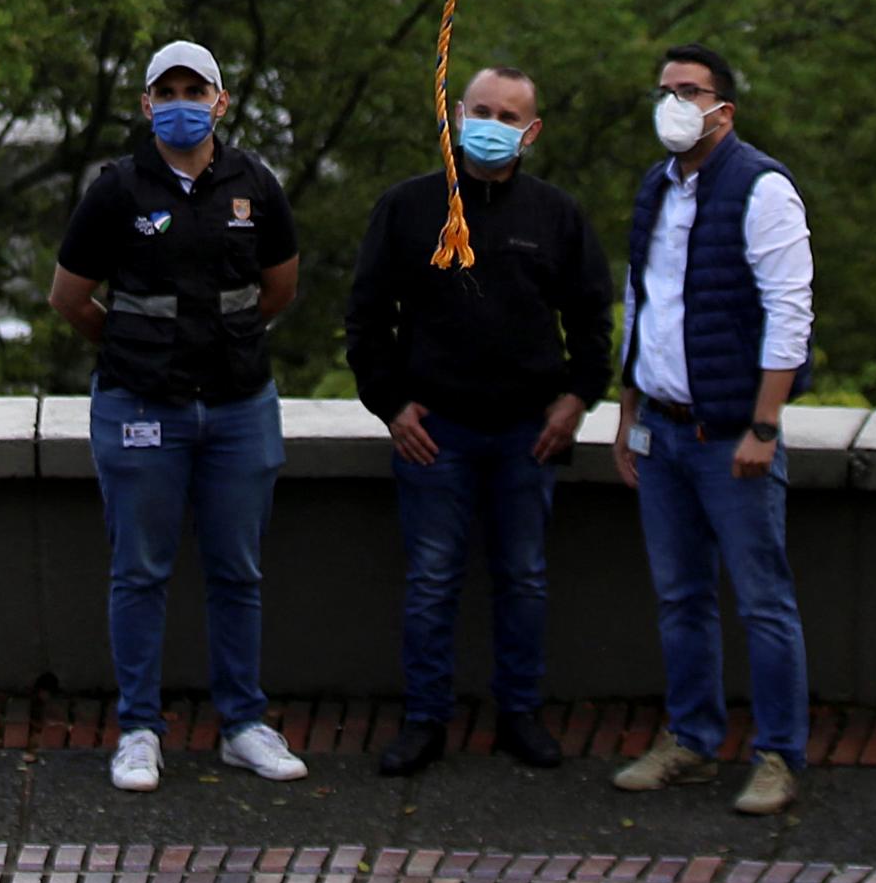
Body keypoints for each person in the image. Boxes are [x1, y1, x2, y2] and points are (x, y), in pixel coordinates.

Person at [48, 41, 310, 791]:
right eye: (168, 91)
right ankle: (138, 729)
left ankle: (243, 724)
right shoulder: (117, 191)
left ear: (221, 101)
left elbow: (279, 290)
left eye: (196, 89)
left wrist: (216, 346)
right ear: (147, 104)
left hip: (237, 409)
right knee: (139, 570)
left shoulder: (254, 184)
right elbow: (69, 300)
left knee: (238, 570)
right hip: (141, 408)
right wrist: (138, 349)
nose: (183, 101)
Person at [343, 65, 616, 776]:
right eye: (482, 109)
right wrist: (391, 405)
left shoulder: (557, 217)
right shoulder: (407, 209)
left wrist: (578, 397)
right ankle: (425, 721)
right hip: (436, 434)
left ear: (531, 133)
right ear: (457, 114)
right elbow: (366, 318)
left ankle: (520, 715)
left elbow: (592, 318)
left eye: (509, 115)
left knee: (523, 577)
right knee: (432, 579)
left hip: (530, 432)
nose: (492, 124)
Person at [606, 45, 813, 817]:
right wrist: (627, 413)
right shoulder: (655, 188)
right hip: (663, 430)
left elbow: (790, 314)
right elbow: (644, 300)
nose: (673, 104)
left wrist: (765, 425)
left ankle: (778, 756)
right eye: (664, 91)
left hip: (731, 434)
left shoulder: (761, 189)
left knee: (763, 598)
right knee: (680, 597)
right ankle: (691, 740)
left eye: (688, 92)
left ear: (723, 107)